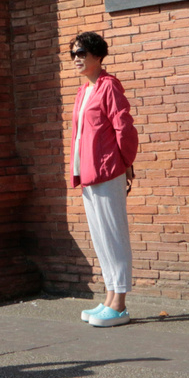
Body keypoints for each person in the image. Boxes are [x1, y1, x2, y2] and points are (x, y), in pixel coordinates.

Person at [68, 31, 139, 327]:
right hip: (88, 173)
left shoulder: (109, 86)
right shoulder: (84, 92)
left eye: (81, 53)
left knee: (114, 235)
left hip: (109, 170)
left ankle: (120, 304)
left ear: (98, 55)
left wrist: (126, 162)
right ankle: (110, 297)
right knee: (101, 237)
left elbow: (124, 127)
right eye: (72, 54)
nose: (76, 59)